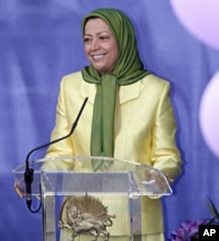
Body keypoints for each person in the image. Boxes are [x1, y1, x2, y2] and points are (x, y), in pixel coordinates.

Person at [15, 8, 182, 241]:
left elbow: (168, 156)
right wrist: (41, 180)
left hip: (135, 223)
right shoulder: (71, 86)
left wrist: (161, 174)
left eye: (103, 37)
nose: (93, 47)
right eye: (87, 39)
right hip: (79, 224)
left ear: (123, 40)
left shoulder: (155, 90)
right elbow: (61, 153)